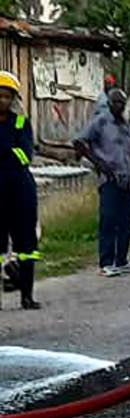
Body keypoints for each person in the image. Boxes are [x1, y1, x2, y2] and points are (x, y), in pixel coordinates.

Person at [74, 85, 130, 276]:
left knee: (127, 220)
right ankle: (106, 262)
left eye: (122, 102)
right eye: (115, 102)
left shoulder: (126, 125)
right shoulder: (100, 121)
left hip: (127, 178)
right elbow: (79, 142)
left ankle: (122, 260)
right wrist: (99, 164)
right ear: (109, 103)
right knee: (109, 219)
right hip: (109, 178)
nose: (119, 105)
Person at [0, 71, 41, 308]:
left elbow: (24, 155)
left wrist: (4, 150)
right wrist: (8, 150)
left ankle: (27, 295)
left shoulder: (21, 123)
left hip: (20, 191)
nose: (2, 100)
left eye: (7, 96)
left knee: (26, 247)